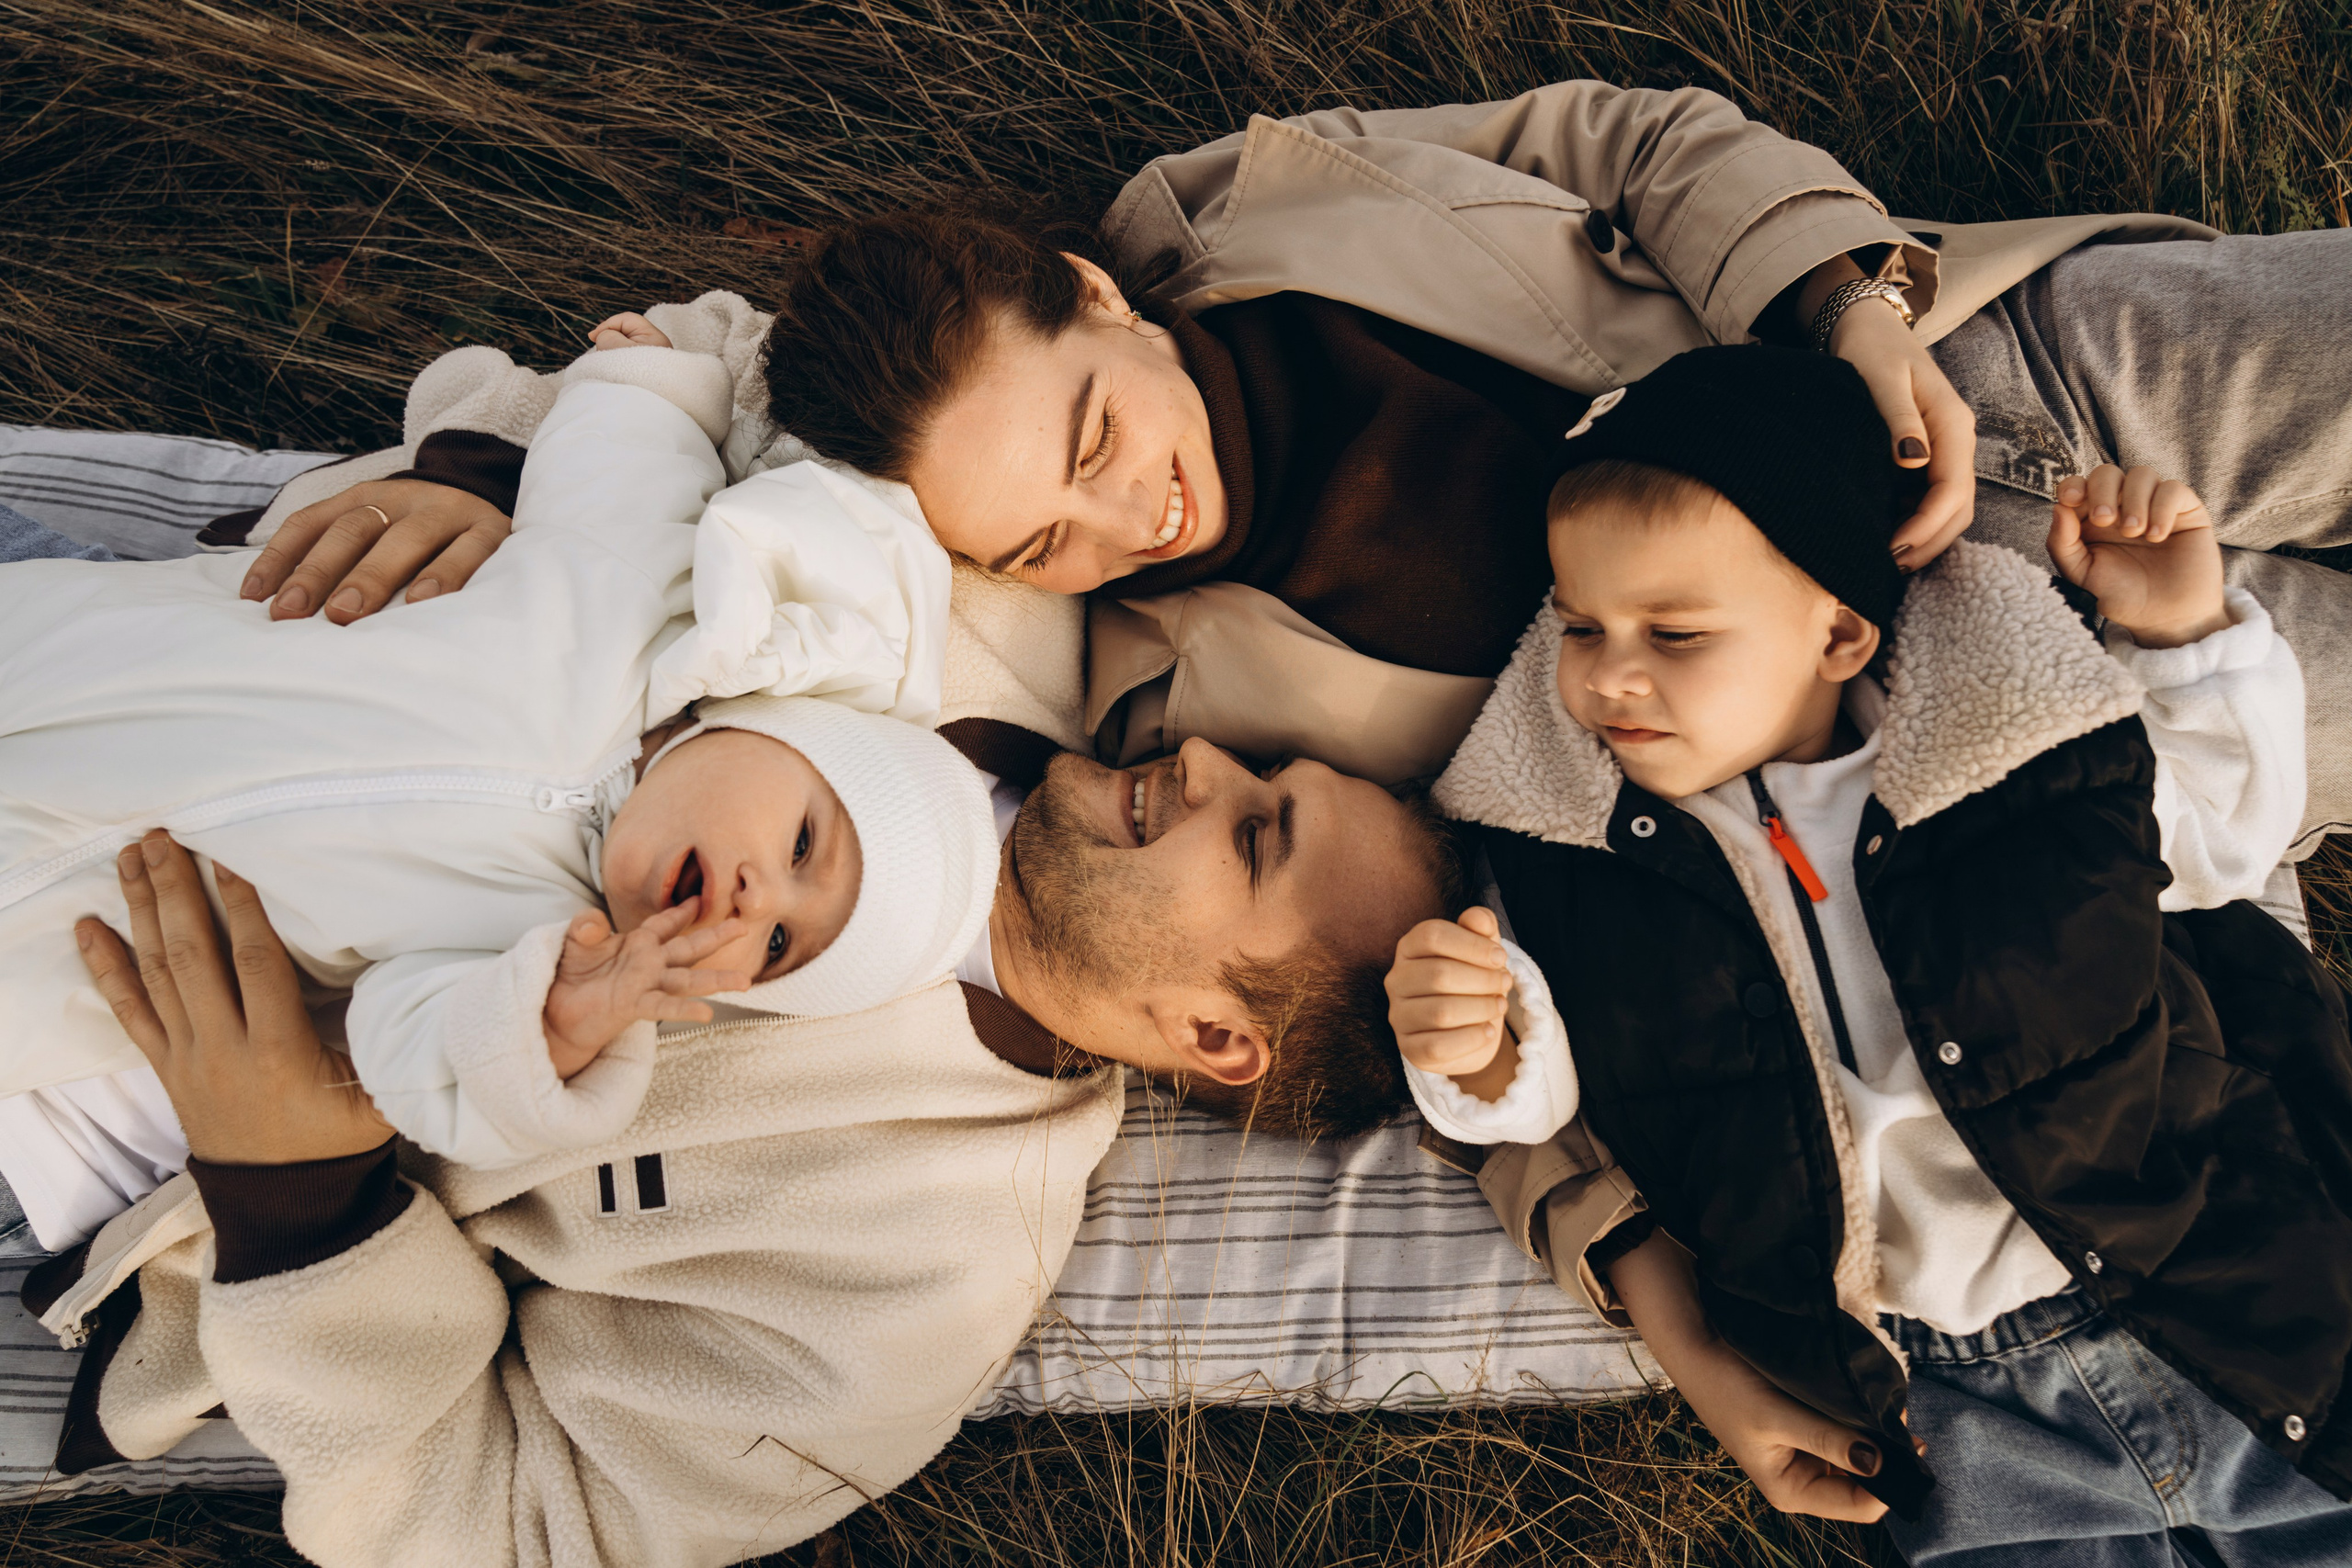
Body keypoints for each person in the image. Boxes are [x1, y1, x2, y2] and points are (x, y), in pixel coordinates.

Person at [1393, 345, 2351, 1558]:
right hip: (1944, 1398)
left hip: (2204, 1282)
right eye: (1580, 624)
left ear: (1839, 632)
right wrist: (1476, 1049)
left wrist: (2181, 628)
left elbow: (2223, 839)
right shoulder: (1576, 859)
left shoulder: (2024, 748)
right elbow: (1559, 1082)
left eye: (1675, 633)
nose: (1605, 675)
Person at [0, 350, 991, 1252]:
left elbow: (406, 1050)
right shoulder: (632, 599)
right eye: (804, 847)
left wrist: (555, 1028)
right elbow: (626, 457)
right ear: (778, 727)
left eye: (779, 946)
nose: (755, 901)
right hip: (54, 656)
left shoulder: (530, 948)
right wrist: (645, 375)